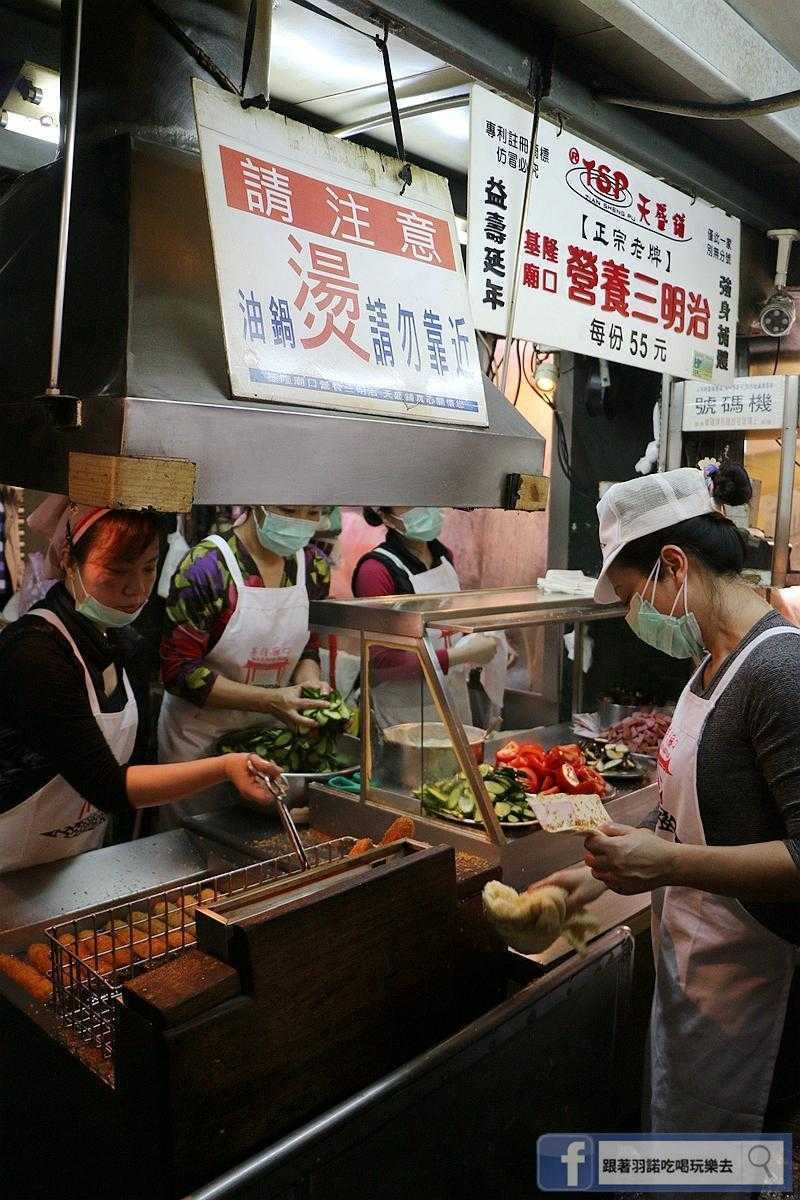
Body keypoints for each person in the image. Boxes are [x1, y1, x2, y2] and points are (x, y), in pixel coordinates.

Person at [531, 463, 800, 1135]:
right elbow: (684, 817)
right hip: (700, 977)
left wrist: (670, 867)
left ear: (674, 566)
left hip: (758, 994)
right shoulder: (710, 664)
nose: (634, 617)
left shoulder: (779, 673)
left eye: (633, 596)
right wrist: (594, 883)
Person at [0, 498, 280, 875]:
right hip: (10, 863)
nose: (137, 588)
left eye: (149, 568)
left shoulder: (116, 641)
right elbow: (108, 786)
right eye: (116, 570)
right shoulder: (35, 651)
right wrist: (226, 766)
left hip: (70, 863)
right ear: (69, 560)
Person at [158, 505, 331, 811]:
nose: (299, 522)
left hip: (271, 742)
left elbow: (307, 648)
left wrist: (310, 687)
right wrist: (269, 700)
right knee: (199, 840)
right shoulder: (206, 567)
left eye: (312, 513)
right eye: (289, 509)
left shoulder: (313, 566)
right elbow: (179, 672)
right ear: (256, 502)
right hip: (200, 742)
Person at [352, 506, 501, 726]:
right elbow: (382, 661)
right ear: (383, 514)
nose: (425, 507)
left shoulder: (444, 556)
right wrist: (460, 655)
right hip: (404, 712)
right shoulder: (375, 570)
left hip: (452, 698)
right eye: (410, 501)